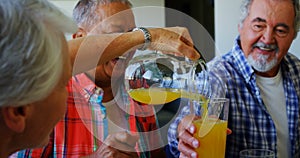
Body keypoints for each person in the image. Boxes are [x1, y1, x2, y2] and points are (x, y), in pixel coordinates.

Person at [0, 0, 201, 157]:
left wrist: (181, 145)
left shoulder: (138, 91)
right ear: (79, 39)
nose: (129, 46)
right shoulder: (43, 95)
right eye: (116, 36)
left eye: (130, 34)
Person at [167, 0, 300, 157]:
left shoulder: (296, 69)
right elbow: (182, 128)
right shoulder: (216, 76)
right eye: (258, 26)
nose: (268, 38)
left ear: (294, 35)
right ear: (241, 27)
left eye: (280, 30)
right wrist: (182, 131)